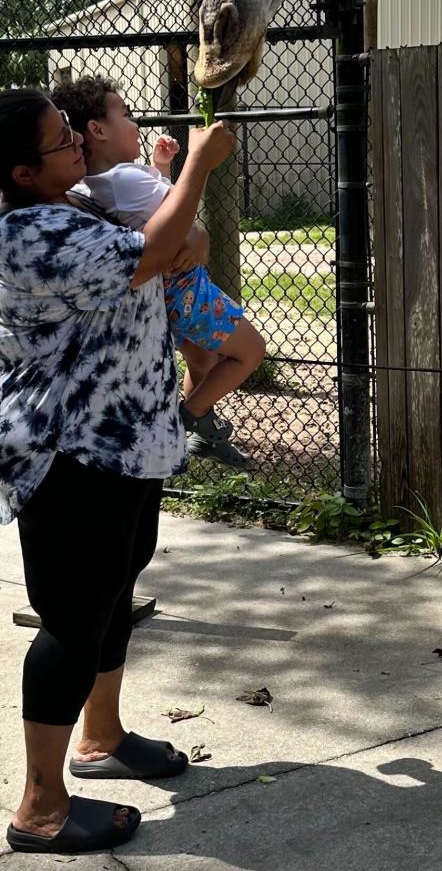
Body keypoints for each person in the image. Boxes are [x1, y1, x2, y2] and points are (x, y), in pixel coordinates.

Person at [0, 87, 234, 856]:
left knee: (111, 594)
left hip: (130, 443)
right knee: (70, 621)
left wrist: (180, 216)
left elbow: (183, 246)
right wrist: (197, 166)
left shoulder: (79, 203)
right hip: (74, 453)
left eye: (73, 132)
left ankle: (99, 736)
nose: (76, 145)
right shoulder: (29, 235)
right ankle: (39, 806)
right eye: (59, 141)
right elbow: (165, 249)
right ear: (22, 172)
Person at [51, 77, 266, 467]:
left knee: (203, 363)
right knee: (251, 350)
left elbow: (160, 212)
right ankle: (192, 415)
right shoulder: (125, 179)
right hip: (187, 292)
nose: (136, 123)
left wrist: (160, 167)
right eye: (127, 114)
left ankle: (202, 425)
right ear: (97, 130)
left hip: (165, 299)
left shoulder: (105, 182)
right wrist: (197, 164)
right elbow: (179, 210)